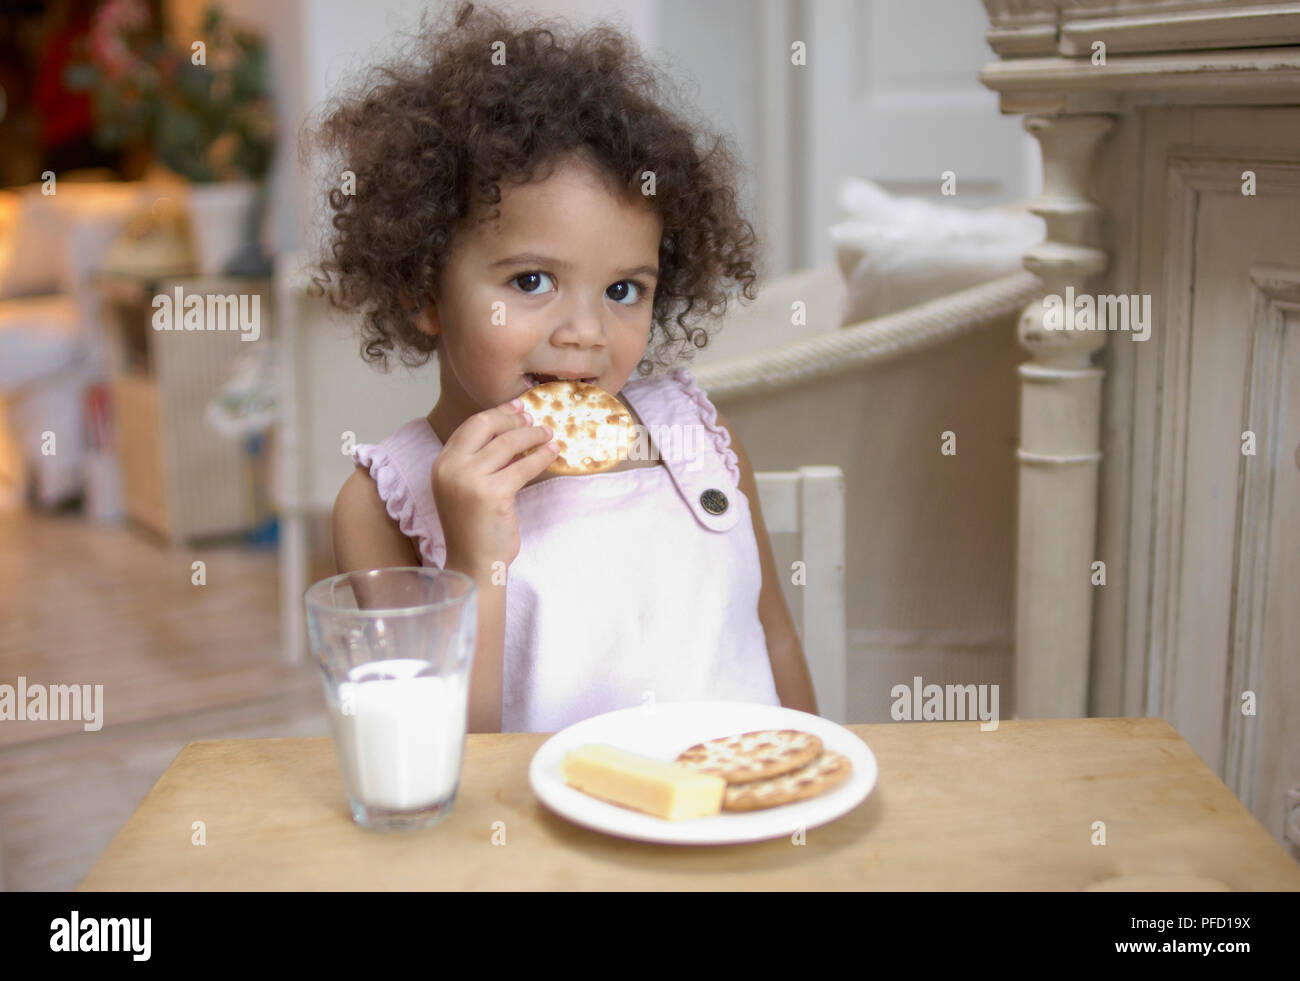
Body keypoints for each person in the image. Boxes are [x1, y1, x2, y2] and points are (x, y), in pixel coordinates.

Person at [308, 1, 818, 733]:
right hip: (541, 842)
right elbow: (442, 748)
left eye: (622, 290)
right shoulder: (384, 503)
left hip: (736, 825)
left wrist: (813, 780)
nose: (585, 333)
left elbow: (771, 637)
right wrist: (474, 557)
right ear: (422, 289)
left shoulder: (697, 438)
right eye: (532, 282)